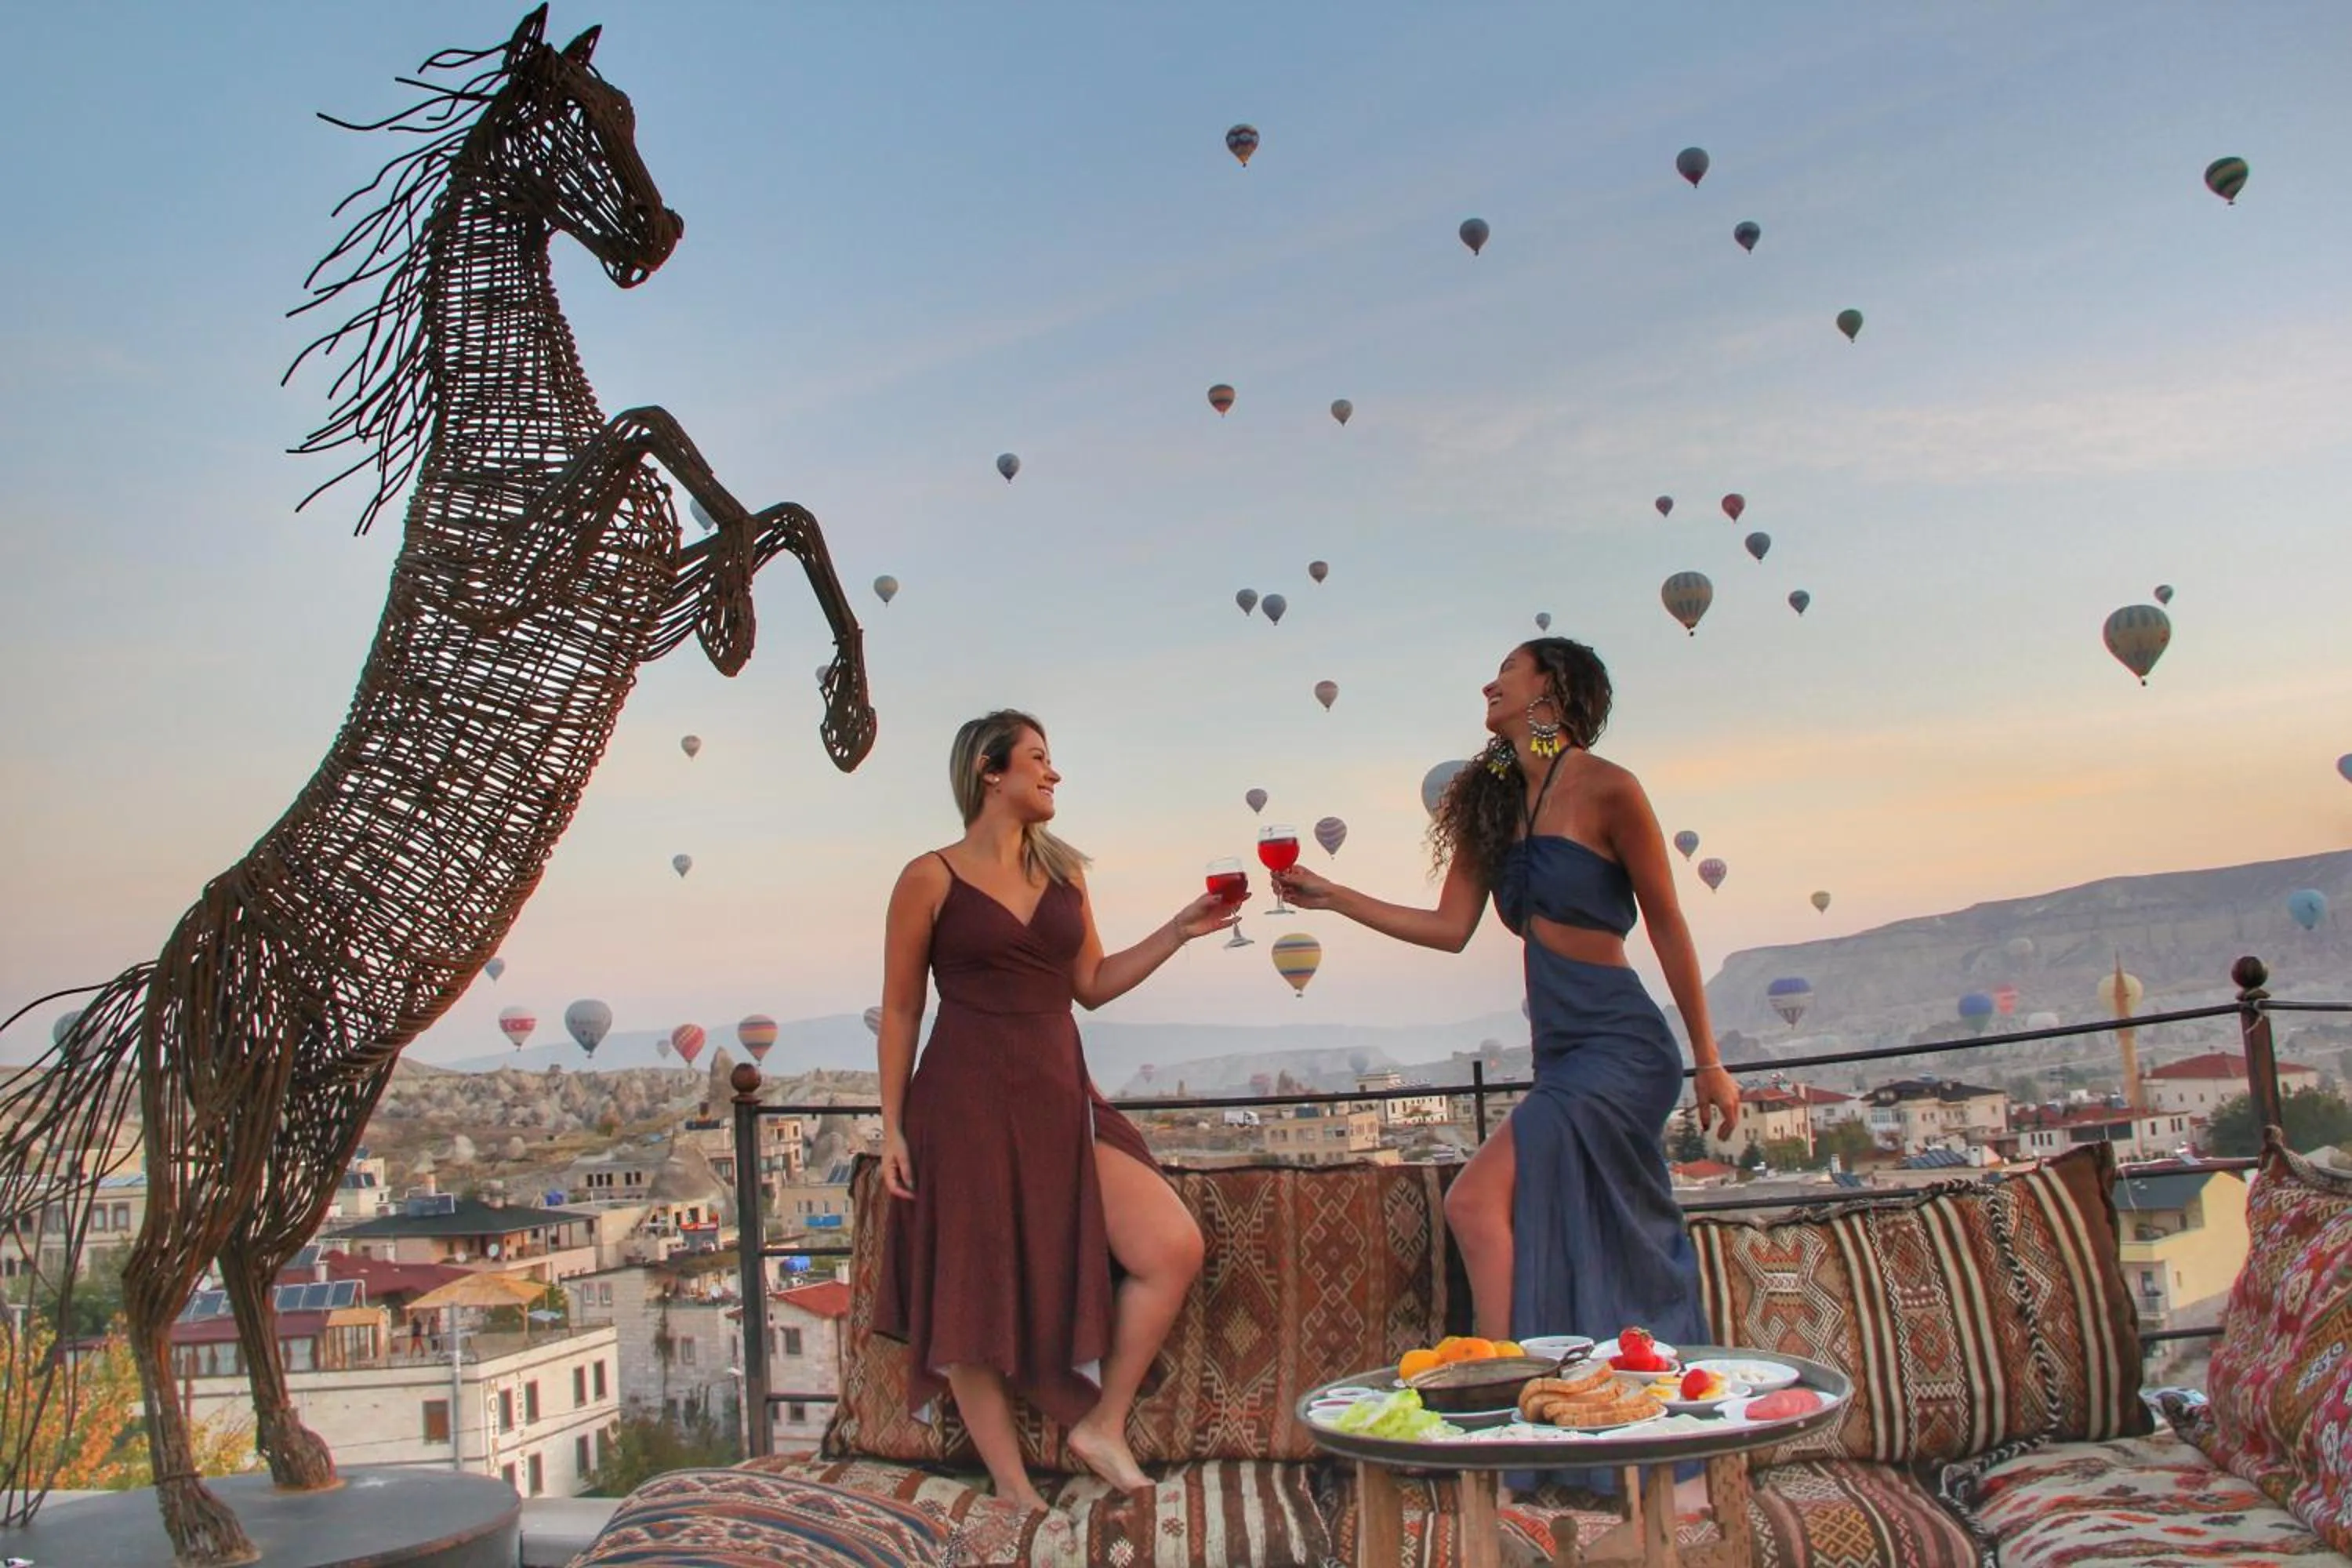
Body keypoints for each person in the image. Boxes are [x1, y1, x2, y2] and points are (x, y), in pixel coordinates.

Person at [1275, 638, 1740, 1475]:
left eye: (1510, 671)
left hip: (1623, 1046)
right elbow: (1449, 928)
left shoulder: (1609, 787)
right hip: (1561, 1053)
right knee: (1543, 1217)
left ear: (1551, 692)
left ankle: (1498, 1412)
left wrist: (1709, 1057)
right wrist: (1334, 897)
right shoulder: (1496, 800)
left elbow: (1669, 921)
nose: (1489, 683)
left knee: (1478, 1200)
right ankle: (1545, 1412)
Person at [872, 710, 1229, 1515]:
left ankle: (1101, 1425)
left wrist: (1178, 930)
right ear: (990, 772)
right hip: (960, 1105)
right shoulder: (928, 876)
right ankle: (1011, 1484)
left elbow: (1092, 983)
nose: (1054, 772)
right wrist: (892, 1123)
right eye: (1038, 758)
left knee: (1172, 1244)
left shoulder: (1066, 874)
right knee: (969, 1292)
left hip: (1062, 1097)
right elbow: (900, 1010)